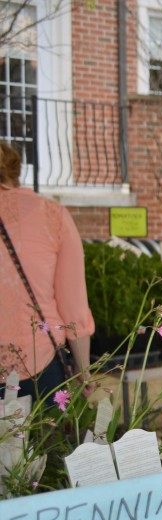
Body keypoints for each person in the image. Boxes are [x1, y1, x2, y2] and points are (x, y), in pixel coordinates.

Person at [0, 141, 94, 401]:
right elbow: (72, 306)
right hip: (41, 367)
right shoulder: (52, 215)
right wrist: (83, 370)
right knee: (48, 442)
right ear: (16, 172)